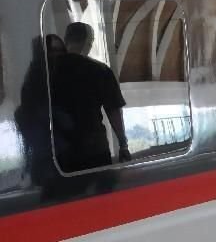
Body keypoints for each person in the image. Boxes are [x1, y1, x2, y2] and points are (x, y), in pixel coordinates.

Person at [50, 22, 130, 173]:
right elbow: (113, 111)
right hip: (94, 148)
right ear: (88, 42)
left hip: (61, 150)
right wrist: (123, 144)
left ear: (66, 40)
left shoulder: (49, 71)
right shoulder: (100, 70)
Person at [15, 35, 66, 195]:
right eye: (53, 51)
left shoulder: (56, 78)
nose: (58, 56)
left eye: (60, 51)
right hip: (52, 163)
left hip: (57, 161)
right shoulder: (38, 83)